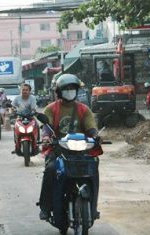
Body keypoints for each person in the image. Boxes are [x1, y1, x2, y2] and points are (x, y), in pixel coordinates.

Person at [38, 74, 99, 220]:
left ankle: (93, 207)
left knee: (94, 169)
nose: (70, 91)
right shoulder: (51, 109)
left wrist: (96, 136)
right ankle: (45, 207)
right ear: (59, 91)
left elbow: (91, 127)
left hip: (81, 150)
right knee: (51, 170)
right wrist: (46, 138)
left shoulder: (84, 109)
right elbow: (47, 127)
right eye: (66, 88)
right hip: (58, 149)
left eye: (72, 88)